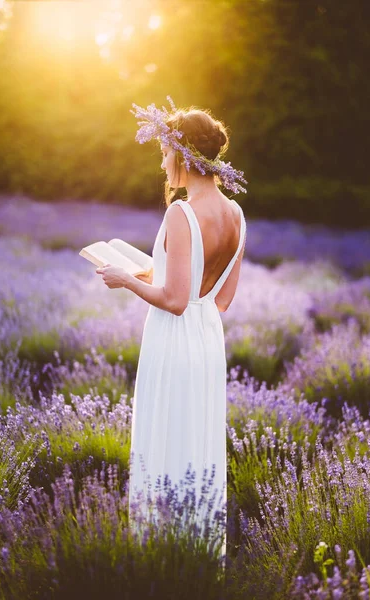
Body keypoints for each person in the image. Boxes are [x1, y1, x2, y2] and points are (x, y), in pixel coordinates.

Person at [96, 97, 247, 565]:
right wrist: (150, 274)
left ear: (183, 155)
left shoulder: (181, 214)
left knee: (164, 438)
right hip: (205, 343)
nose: (162, 162)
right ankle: (196, 557)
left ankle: (158, 557)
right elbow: (217, 299)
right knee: (195, 441)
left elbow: (176, 301)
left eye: (165, 152)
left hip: (172, 341)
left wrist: (123, 279)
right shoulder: (236, 215)